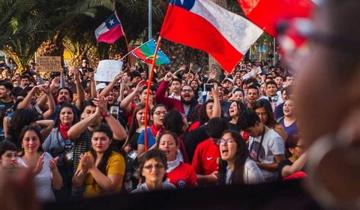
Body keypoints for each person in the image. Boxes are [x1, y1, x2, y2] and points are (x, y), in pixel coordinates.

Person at [72, 124, 126, 198]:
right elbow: (76, 183)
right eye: (95, 139)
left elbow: (111, 188)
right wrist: (83, 171)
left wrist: (92, 168)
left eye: (103, 139)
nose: (99, 143)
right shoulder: (88, 155)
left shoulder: (116, 158)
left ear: (110, 141)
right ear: (91, 140)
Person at [42, 103, 79, 200]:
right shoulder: (53, 132)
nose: (66, 115)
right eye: (63, 113)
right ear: (59, 116)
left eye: (69, 113)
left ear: (74, 115)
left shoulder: (80, 132)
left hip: (76, 171)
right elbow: (44, 151)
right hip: (57, 171)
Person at [17, 126, 63, 202]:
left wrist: (54, 170)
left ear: (40, 142)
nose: (31, 142)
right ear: (21, 143)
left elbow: (58, 186)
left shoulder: (47, 156)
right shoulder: (16, 161)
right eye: (27, 139)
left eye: (34, 139)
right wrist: (35, 172)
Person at [240, 109, 285, 182]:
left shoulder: (274, 138)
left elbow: (281, 165)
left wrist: (256, 164)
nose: (248, 134)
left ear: (257, 123)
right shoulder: (253, 134)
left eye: (249, 131)